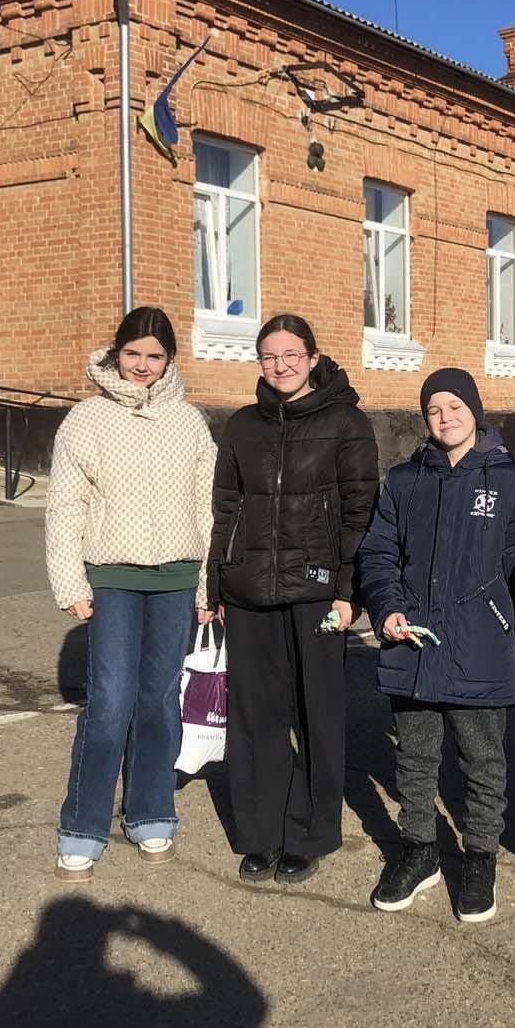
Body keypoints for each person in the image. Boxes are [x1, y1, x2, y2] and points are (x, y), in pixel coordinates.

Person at [357, 369, 515, 922]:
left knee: (483, 761)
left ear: (475, 410)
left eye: (455, 406)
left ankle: (479, 857)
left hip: (478, 644)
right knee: (415, 757)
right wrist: (387, 607)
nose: (445, 417)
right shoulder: (404, 480)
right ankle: (419, 851)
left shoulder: (509, 481)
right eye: (434, 410)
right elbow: (378, 553)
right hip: (413, 643)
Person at [45, 306, 217, 882]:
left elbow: (207, 508)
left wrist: (206, 583)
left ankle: (151, 812)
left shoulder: (189, 423)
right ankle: (83, 826)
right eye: (133, 353)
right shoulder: (86, 419)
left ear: (169, 360)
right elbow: (65, 505)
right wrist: (70, 580)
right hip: (113, 578)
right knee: (111, 699)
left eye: (155, 356)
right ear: (116, 353)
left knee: (160, 699)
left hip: (176, 579)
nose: (142, 366)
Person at [208, 314, 379, 885]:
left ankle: (308, 833)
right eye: (269, 356)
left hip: (317, 593)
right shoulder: (242, 426)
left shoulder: (347, 422)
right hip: (250, 590)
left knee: (317, 714)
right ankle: (260, 833)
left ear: (312, 358)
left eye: (290, 355)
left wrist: (349, 591)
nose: (280, 366)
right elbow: (225, 508)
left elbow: (361, 512)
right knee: (255, 718)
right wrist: (217, 585)